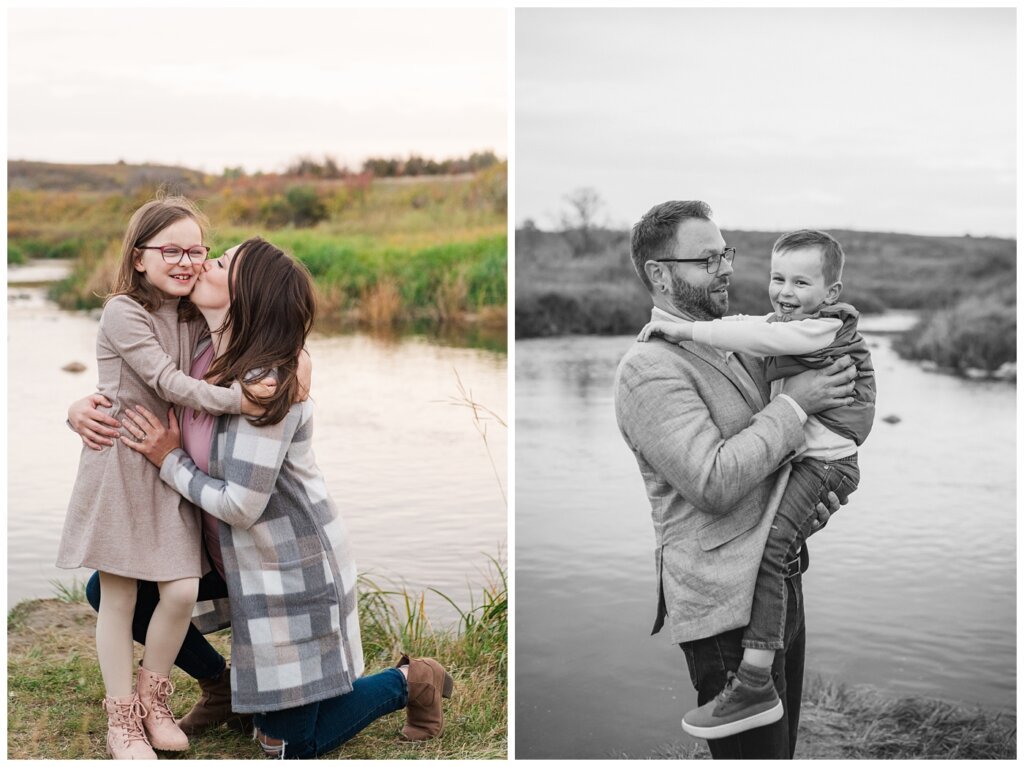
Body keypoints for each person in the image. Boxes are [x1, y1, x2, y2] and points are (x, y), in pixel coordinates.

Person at [75, 237, 453, 760]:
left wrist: (169, 461)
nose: (204, 262)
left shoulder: (269, 381)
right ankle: (223, 688)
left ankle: (411, 679)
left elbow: (240, 506)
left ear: (245, 295)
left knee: (283, 747)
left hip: (285, 569)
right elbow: (128, 374)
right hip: (226, 555)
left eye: (221, 261)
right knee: (110, 589)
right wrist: (79, 408)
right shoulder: (200, 351)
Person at [613, 201, 858, 759]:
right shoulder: (648, 369)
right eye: (707, 259)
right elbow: (713, 480)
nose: (726, 268)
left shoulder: (737, 341)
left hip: (779, 588)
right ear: (659, 273)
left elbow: (776, 460)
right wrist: (796, 406)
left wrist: (812, 509)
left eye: (725, 253)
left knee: (782, 752)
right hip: (724, 609)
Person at [56, 196, 271, 760]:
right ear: (139, 255)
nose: (186, 261)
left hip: (171, 467)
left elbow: (270, 337)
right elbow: (166, 380)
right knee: (120, 594)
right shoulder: (123, 310)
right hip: (123, 462)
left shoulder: (194, 311)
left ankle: (155, 701)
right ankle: (123, 720)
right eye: (171, 249)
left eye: (197, 250)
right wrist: (237, 402)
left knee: (178, 590)